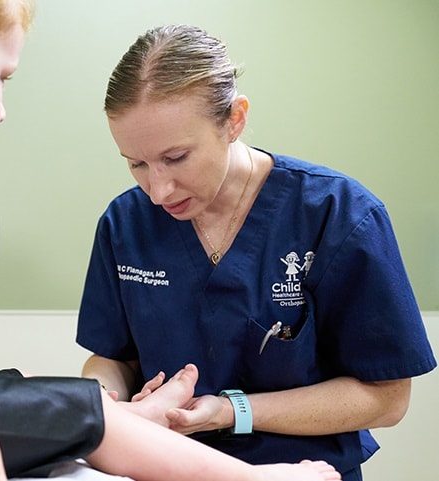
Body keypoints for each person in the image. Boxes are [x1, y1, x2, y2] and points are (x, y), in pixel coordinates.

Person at [0, 3, 342, 480]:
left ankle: (130, 418)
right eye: (2, 78)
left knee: (34, 395)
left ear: (233, 121)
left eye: (175, 157)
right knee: (75, 412)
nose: (2, 108)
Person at [77, 23, 437, 481]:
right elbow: (112, 358)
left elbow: (387, 398)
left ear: (235, 119)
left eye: (176, 157)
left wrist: (233, 411)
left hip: (305, 471)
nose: (158, 190)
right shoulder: (126, 223)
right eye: (137, 164)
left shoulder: (337, 214)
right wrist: (103, 404)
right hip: (164, 469)